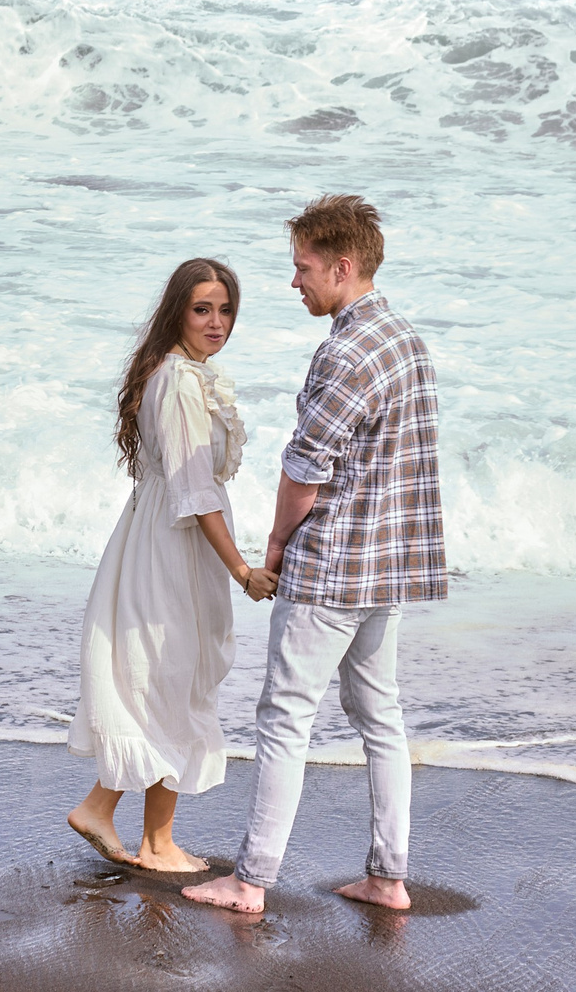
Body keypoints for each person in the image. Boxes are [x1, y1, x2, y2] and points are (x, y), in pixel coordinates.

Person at [185, 194, 445, 917]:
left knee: (285, 719)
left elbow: (305, 469)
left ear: (342, 266)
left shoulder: (346, 351)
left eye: (303, 268)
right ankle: (388, 877)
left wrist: (273, 545)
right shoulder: (406, 339)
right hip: (388, 566)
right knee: (380, 718)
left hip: (332, 565)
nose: (293, 281)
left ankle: (250, 879)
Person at [66, 257, 274, 872]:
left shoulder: (174, 373)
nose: (216, 322)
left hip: (158, 536)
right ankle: (154, 842)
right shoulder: (180, 382)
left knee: (167, 677)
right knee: (173, 678)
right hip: (174, 545)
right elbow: (196, 492)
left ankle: (105, 812)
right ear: (177, 312)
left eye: (226, 310)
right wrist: (241, 570)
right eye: (202, 309)